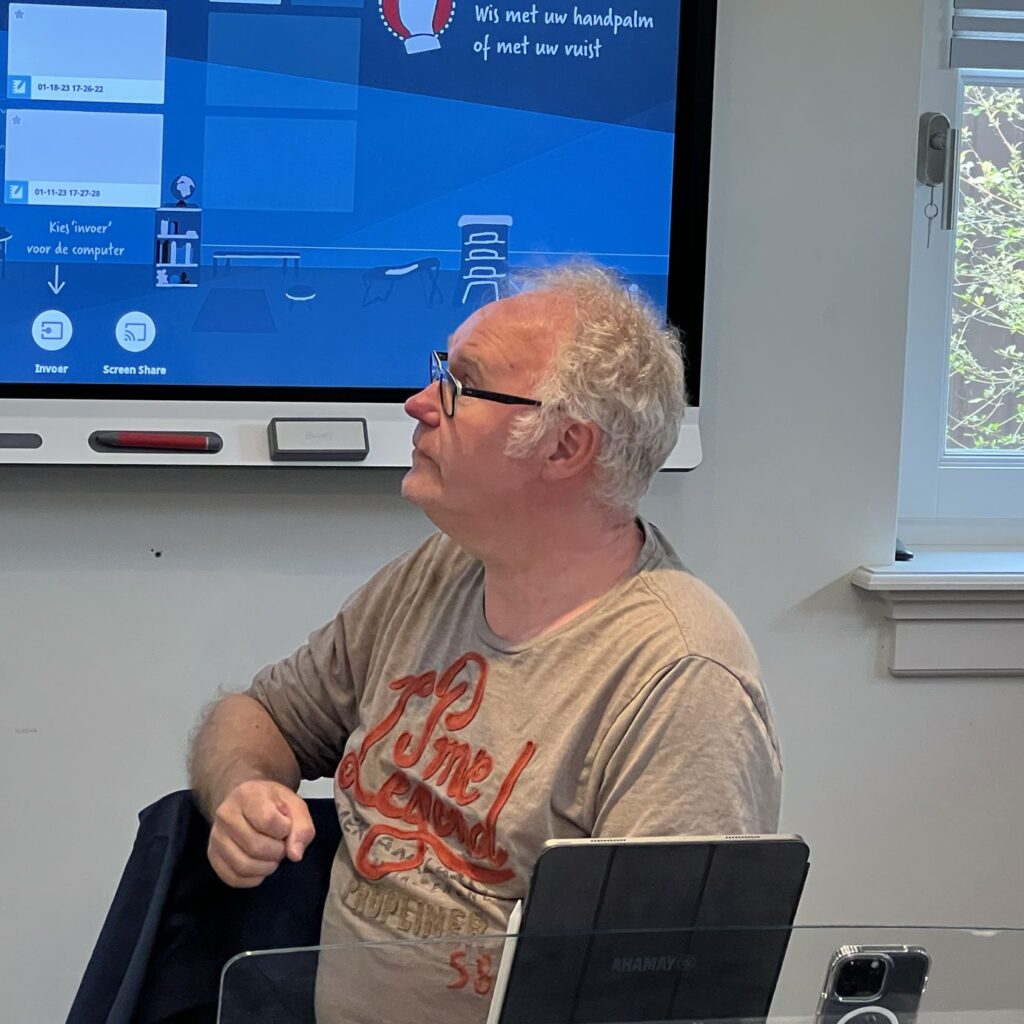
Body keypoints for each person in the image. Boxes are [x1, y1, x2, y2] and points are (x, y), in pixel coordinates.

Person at [188, 263, 782, 1023]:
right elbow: (258, 715)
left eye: (460, 386)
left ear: (564, 446)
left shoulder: (682, 678)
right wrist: (242, 789)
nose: (417, 403)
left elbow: (657, 996)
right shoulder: (439, 572)